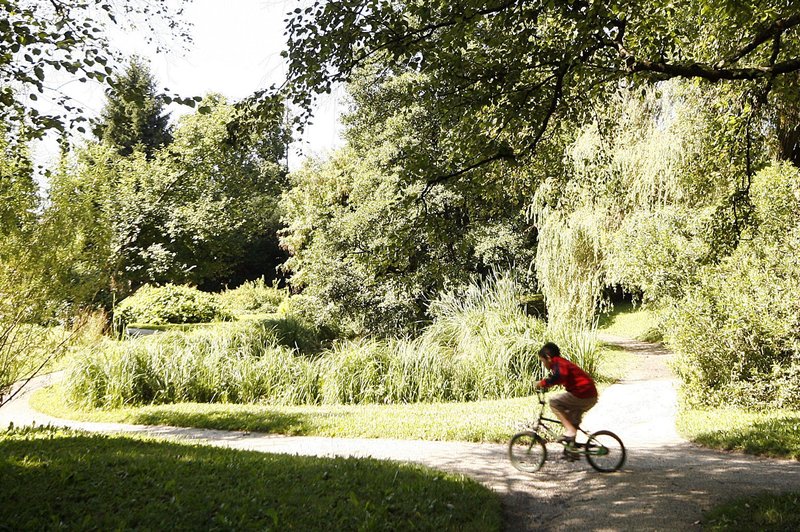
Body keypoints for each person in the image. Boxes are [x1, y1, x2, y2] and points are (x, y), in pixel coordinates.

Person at [534, 341, 598, 446]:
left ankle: (571, 431)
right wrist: (546, 384)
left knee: (554, 402)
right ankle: (572, 450)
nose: (543, 364)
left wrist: (541, 383)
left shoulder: (558, 363)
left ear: (548, 357)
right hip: (589, 395)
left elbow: (559, 377)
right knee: (572, 418)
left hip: (583, 393)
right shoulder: (559, 363)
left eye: (543, 361)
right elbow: (557, 378)